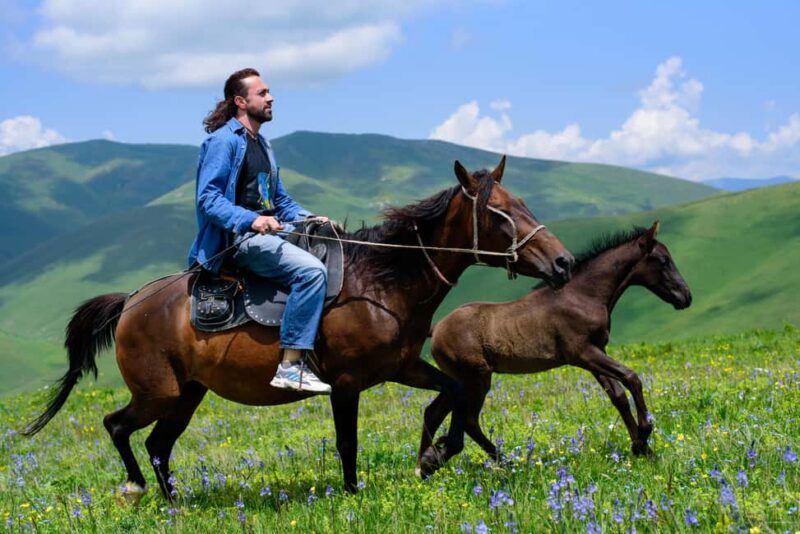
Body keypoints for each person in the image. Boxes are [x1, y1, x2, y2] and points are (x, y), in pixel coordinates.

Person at [187, 68, 332, 394]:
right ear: (240, 102)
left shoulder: (263, 145)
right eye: (263, 93)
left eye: (269, 92)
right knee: (311, 272)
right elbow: (208, 199)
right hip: (239, 240)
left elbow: (277, 201)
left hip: (271, 234)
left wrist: (311, 219)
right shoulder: (223, 142)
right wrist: (251, 220)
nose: (271, 98)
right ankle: (291, 366)